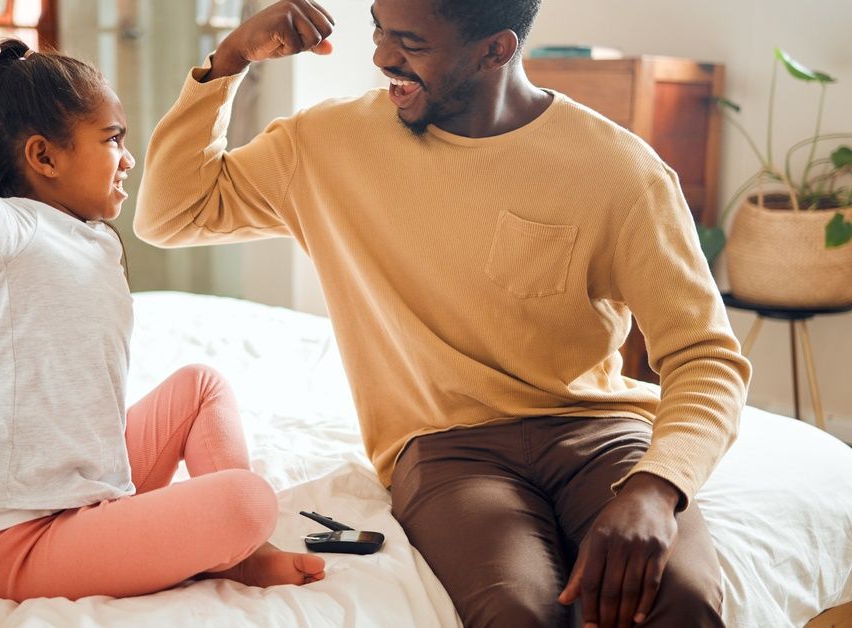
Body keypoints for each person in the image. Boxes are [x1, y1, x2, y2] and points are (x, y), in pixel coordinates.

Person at [134, 1, 751, 626]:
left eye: (410, 42)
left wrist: (656, 487)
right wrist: (228, 62)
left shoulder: (618, 171)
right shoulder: (324, 145)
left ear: (496, 50)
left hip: (598, 435)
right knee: (519, 613)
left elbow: (706, 356)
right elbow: (170, 214)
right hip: (447, 448)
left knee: (680, 598)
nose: (380, 57)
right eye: (378, 29)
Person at [0, 27, 325, 602]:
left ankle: (242, 552)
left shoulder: (95, 240)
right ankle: (236, 540)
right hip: (14, 540)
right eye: (111, 139)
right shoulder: (12, 232)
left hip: (89, 492)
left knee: (202, 385)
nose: (129, 159)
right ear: (44, 156)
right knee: (248, 501)